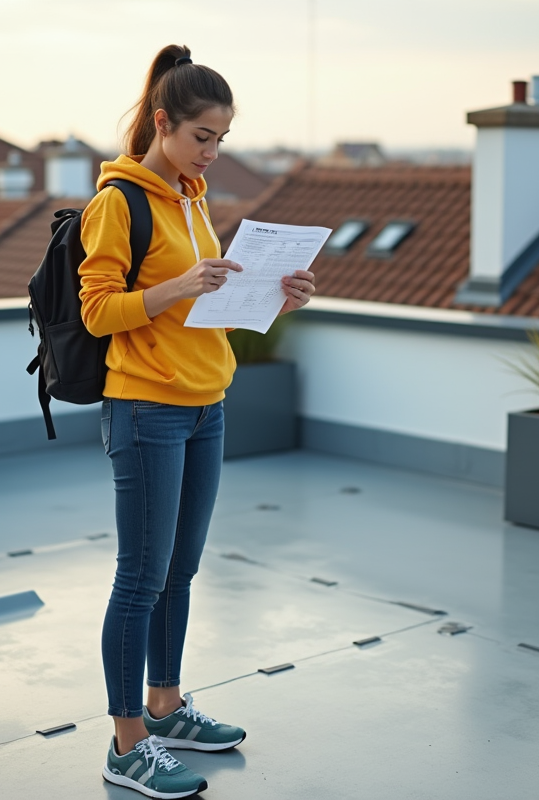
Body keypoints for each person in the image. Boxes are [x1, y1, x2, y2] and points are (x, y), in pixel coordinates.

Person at [78, 44, 316, 798]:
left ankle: (167, 706)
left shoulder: (193, 197)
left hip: (207, 402)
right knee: (140, 578)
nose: (213, 153)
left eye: (222, 139)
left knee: (180, 570)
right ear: (162, 122)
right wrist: (180, 283)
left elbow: (207, 310)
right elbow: (96, 313)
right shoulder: (117, 202)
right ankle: (126, 745)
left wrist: (279, 297)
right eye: (202, 138)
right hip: (146, 408)